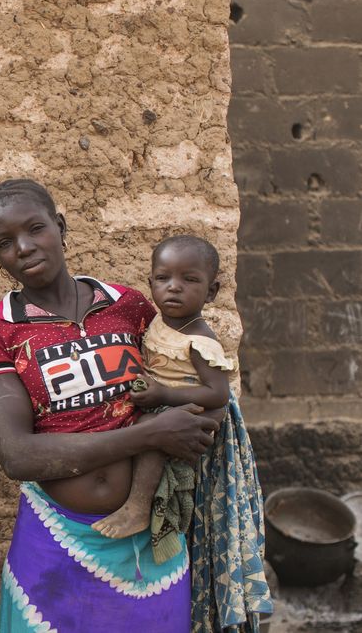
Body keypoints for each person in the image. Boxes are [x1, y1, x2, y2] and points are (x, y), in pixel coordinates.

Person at [0, 179, 221, 632]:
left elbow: (192, 373)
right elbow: (17, 455)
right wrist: (149, 435)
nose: (24, 248)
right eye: (6, 243)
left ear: (60, 227)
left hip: (152, 540)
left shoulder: (130, 307)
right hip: (56, 545)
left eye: (36, 229)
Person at [91, 235, 272, 631]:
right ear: (151, 282)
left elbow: (217, 392)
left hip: (190, 409)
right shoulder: (159, 321)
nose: (173, 287)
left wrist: (161, 394)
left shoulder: (199, 339)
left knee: (154, 435)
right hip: (164, 402)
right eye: (163, 278)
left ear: (212, 291)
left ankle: (139, 507)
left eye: (189, 280)